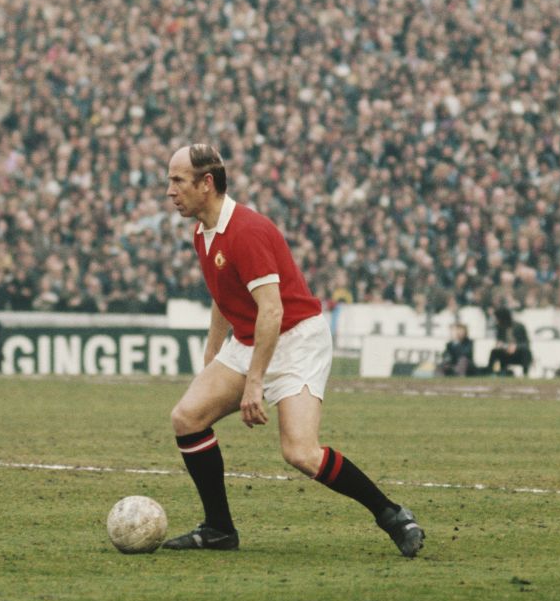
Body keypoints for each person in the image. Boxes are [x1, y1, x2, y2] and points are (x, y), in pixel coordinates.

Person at [162, 143, 423, 557]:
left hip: (296, 339)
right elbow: (222, 296)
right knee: (187, 418)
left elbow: (272, 310)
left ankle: (391, 515)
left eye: (177, 180)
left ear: (206, 183)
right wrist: (212, 357)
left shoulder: (247, 230)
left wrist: (254, 383)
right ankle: (218, 529)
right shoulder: (202, 231)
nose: (170, 190)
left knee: (300, 452)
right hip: (250, 340)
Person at [485, 307, 532, 376]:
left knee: (525, 351)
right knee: (494, 351)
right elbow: (499, 341)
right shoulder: (500, 328)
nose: (496, 321)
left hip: (519, 353)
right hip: (505, 352)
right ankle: (491, 373)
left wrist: (516, 347)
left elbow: (526, 343)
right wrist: (501, 345)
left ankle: (525, 374)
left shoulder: (519, 326)